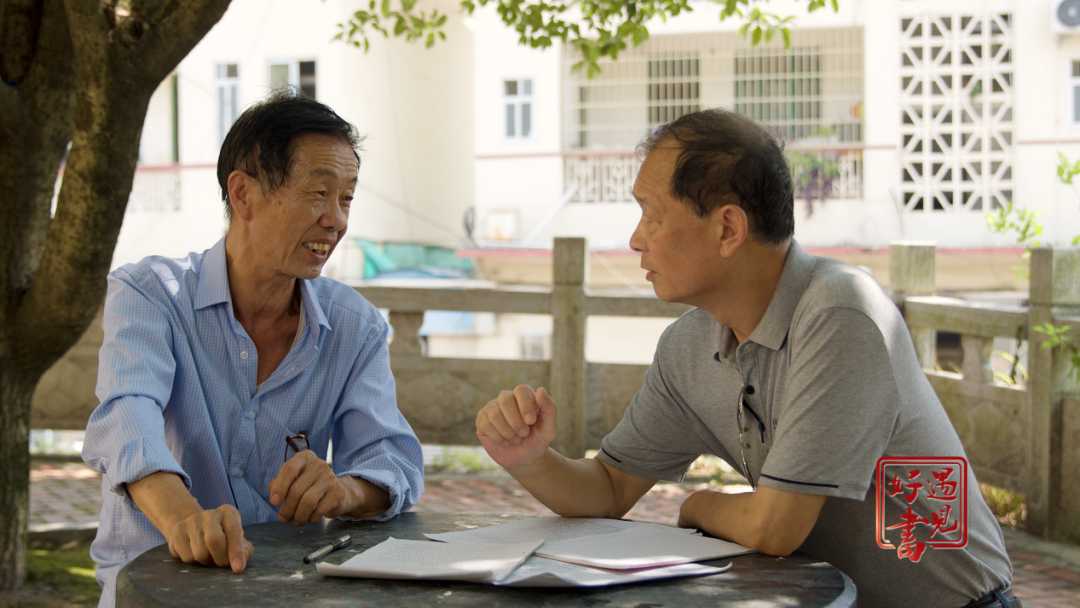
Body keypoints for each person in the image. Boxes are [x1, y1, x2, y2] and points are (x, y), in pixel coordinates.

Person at [475, 109, 1018, 608]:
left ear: (728, 229)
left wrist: (696, 508)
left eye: (652, 215)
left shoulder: (842, 312)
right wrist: (529, 458)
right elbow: (609, 489)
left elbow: (774, 528)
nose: (636, 240)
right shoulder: (689, 346)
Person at [82, 91, 424, 607]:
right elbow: (127, 417)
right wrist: (184, 519)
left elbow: (392, 459)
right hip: (153, 593)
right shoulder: (150, 295)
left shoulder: (355, 327)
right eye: (318, 193)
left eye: (347, 198)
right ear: (243, 194)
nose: (336, 220)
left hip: (286, 593)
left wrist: (344, 491)